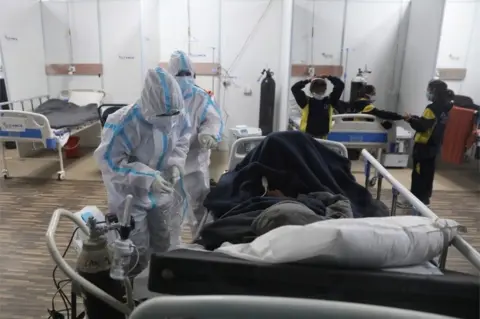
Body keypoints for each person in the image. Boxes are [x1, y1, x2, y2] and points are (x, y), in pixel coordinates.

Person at [94, 67, 191, 272]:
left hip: (162, 191)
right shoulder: (124, 122)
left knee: (164, 239)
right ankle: (133, 296)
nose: (170, 120)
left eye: (173, 114)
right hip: (129, 195)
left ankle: (159, 285)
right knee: (134, 248)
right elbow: (110, 161)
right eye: (164, 114)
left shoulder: (178, 113)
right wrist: (148, 177)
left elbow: (183, 138)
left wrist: (175, 163)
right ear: (149, 106)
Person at [167, 50, 224, 223]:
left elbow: (214, 120)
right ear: (170, 75)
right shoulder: (163, 97)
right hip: (169, 163)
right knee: (169, 208)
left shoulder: (201, 97)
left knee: (200, 206)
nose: (184, 78)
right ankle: (170, 245)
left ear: (193, 74)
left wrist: (208, 134)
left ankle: (203, 240)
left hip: (195, 162)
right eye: (179, 74)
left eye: (187, 73)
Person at [402, 80, 454, 209]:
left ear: (434, 92)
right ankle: (425, 199)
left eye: (429, 90)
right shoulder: (446, 107)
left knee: (419, 174)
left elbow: (422, 126)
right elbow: (430, 122)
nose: (427, 93)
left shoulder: (431, 108)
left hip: (423, 146)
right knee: (428, 173)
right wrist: (415, 117)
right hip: (434, 146)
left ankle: (416, 200)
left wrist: (410, 120)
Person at [291, 75, 345, 139]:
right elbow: (340, 85)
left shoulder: (306, 102)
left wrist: (308, 80)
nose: (319, 90)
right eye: (318, 88)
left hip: (317, 137)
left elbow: (295, 88)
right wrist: (328, 77)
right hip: (308, 137)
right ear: (325, 90)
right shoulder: (330, 101)